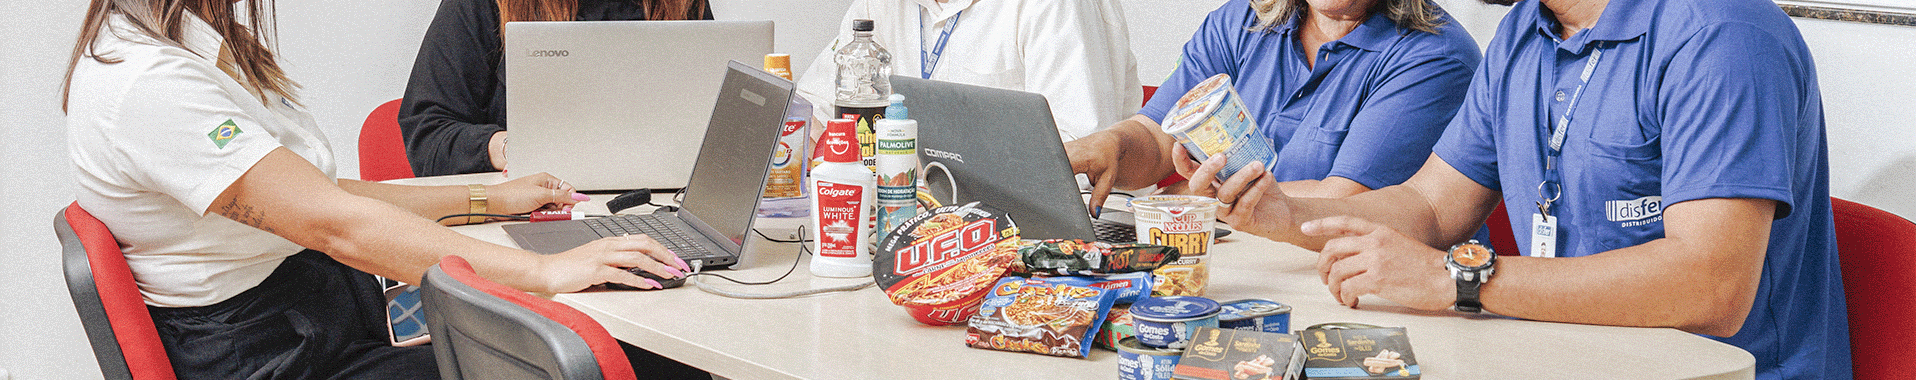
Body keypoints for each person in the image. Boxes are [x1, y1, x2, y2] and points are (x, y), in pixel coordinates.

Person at [1179, 0, 1848, 378]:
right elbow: (1432, 205)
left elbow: (1712, 287)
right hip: (1571, 359)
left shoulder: (1724, 35)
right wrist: (1286, 212)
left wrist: (1460, 281)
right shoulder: (1524, 33)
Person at [63, 0, 689, 377]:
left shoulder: (181, 47)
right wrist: (548, 270)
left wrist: (488, 200)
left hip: (308, 329)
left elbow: (325, 194)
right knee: (624, 366)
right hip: (280, 360)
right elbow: (335, 223)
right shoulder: (147, 83)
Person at [1068, 0, 1481, 212]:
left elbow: (1346, 200)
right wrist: (1112, 145)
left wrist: (1191, 198)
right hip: (1243, 266)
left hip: (1354, 290)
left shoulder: (1435, 56)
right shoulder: (1241, 19)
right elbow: (1160, 140)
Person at [399, 0, 712, 176]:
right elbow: (428, 137)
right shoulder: (481, 5)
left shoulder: (683, 4)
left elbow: (710, 118)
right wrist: (512, 149)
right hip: (524, 216)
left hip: (656, 207)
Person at [795, 0, 1141, 143]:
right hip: (927, 222)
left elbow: (1082, 154)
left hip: (1062, 239)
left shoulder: (1056, 7)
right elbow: (818, 109)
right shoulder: (881, 5)